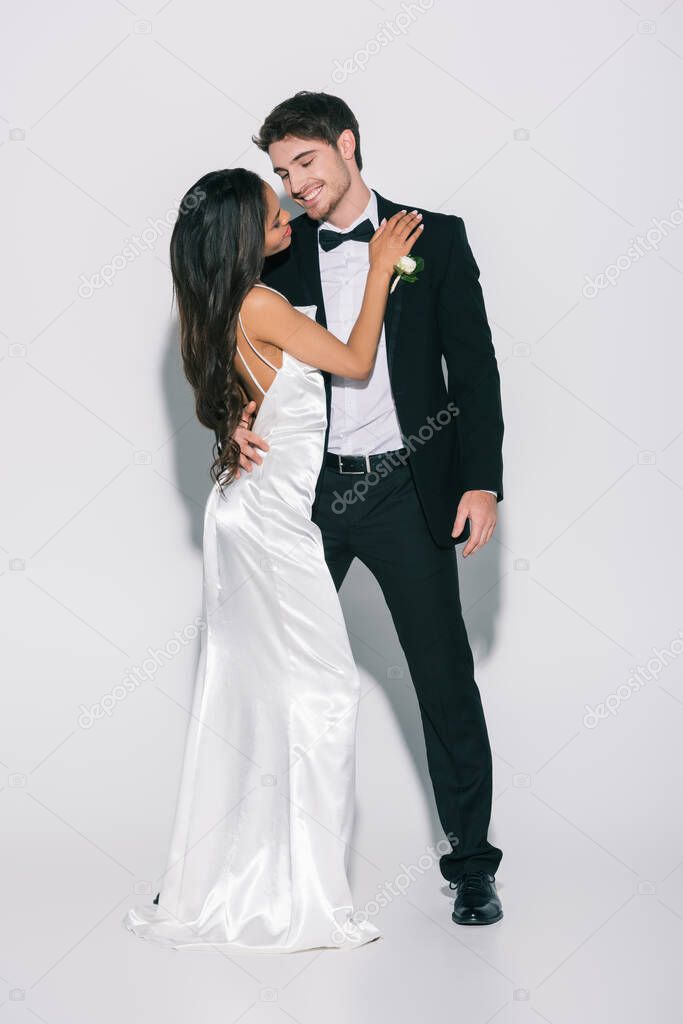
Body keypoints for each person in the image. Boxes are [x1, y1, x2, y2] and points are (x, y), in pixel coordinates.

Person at [122, 166, 424, 952]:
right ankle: (303, 895)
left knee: (251, 698)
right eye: (270, 211)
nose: (286, 208)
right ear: (238, 238)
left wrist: (232, 428)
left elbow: (240, 401)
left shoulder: (219, 306)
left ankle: (244, 872)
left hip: (242, 515)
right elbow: (354, 362)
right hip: (268, 528)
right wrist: (382, 274)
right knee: (322, 695)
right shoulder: (260, 303)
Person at [236, 91, 505, 927]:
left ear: (347, 145)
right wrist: (236, 422)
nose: (296, 186)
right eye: (281, 173)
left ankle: (470, 866)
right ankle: (233, 867)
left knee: (441, 681)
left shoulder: (438, 235)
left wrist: (480, 480)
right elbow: (247, 350)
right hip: (307, 492)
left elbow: (476, 369)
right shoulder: (276, 250)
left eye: (306, 163)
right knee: (264, 670)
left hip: (405, 487)